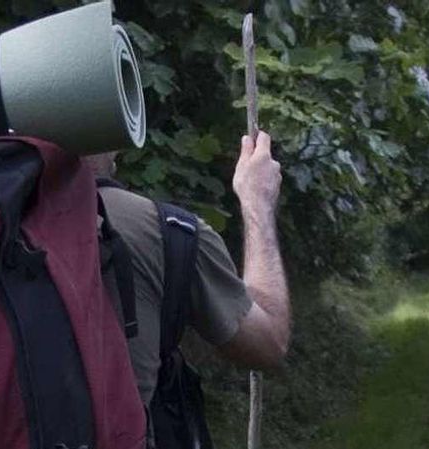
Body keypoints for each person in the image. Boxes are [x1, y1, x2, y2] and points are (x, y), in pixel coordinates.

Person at [85, 131, 291, 404]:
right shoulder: (165, 232)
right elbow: (268, 342)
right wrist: (258, 205)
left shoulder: (11, 213)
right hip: (114, 445)